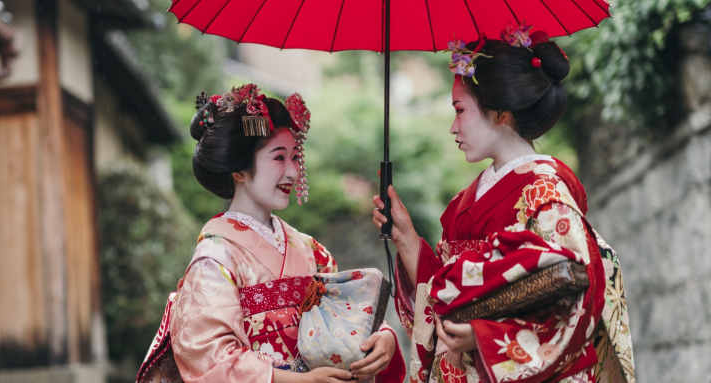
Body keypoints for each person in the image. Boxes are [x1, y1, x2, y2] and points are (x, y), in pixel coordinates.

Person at [372, 26, 634, 383]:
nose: (453, 127)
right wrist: (405, 237)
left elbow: (577, 302)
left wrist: (484, 336)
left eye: (460, 110)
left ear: (500, 113)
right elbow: (442, 290)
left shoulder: (546, 194)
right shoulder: (464, 201)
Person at [137, 84, 406, 383]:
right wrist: (301, 381)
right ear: (238, 170)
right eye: (279, 158)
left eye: (295, 157)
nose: (292, 172)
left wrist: (382, 337)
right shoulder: (215, 258)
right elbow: (209, 358)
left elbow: (344, 316)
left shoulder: (310, 250)